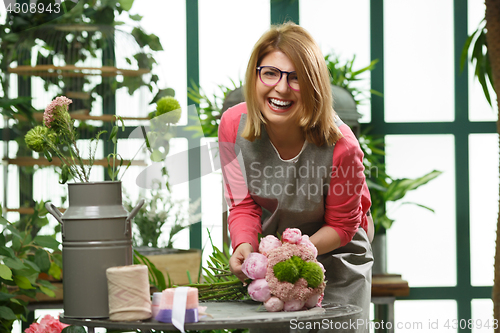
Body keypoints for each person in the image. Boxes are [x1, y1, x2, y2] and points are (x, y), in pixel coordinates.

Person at [218, 22, 374, 332]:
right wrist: (244, 246)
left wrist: (294, 255)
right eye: (271, 73)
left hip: (336, 258)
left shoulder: (342, 146)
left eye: (296, 78)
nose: (281, 88)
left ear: (313, 84)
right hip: (275, 255)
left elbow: (343, 225)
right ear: (256, 75)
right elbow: (242, 203)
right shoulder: (232, 125)